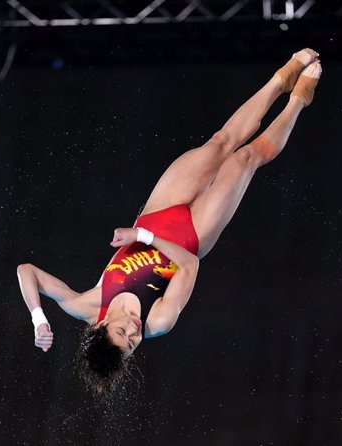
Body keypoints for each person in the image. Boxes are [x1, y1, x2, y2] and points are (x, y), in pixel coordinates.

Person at [17, 48, 322, 394]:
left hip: (160, 209)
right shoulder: (157, 321)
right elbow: (189, 266)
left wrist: (38, 318)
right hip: (193, 236)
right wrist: (143, 237)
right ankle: (299, 101)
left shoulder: (85, 305)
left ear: (99, 329)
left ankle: (281, 78)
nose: (133, 331)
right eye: (132, 344)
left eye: (122, 333)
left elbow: (27, 271)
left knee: (222, 142)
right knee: (245, 160)